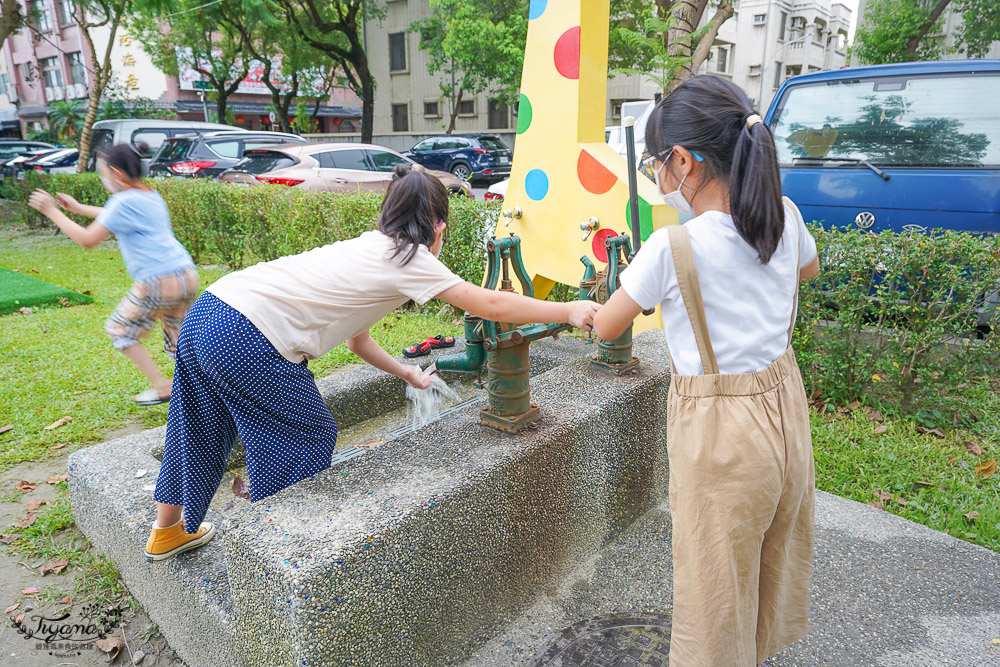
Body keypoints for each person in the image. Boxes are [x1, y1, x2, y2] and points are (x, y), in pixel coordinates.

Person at [145, 165, 602, 563]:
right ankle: (278, 559)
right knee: (307, 436)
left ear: (388, 213)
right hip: (248, 334)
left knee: (199, 426)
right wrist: (567, 311)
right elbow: (489, 304)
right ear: (439, 225)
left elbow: (358, 341)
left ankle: (167, 530)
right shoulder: (412, 257)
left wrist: (406, 372)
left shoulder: (370, 247)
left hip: (212, 308)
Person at [594, 75, 821, 666]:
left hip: (722, 437)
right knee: (773, 558)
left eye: (655, 165)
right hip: (785, 416)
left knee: (714, 588)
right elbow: (808, 269)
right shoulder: (784, 216)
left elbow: (606, 326)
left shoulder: (673, 247)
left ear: (685, 162)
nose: (658, 180)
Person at [27, 143, 198, 407]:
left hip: (157, 280)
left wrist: (52, 211)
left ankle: (163, 387)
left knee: (120, 330)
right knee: (180, 340)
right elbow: (116, 216)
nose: (102, 178)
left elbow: (87, 239)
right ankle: (205, 390)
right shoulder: (150, 195)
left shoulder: (121, 201)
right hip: (185, 275)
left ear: (116, 174)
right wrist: (79, 209)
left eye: (102, 173)